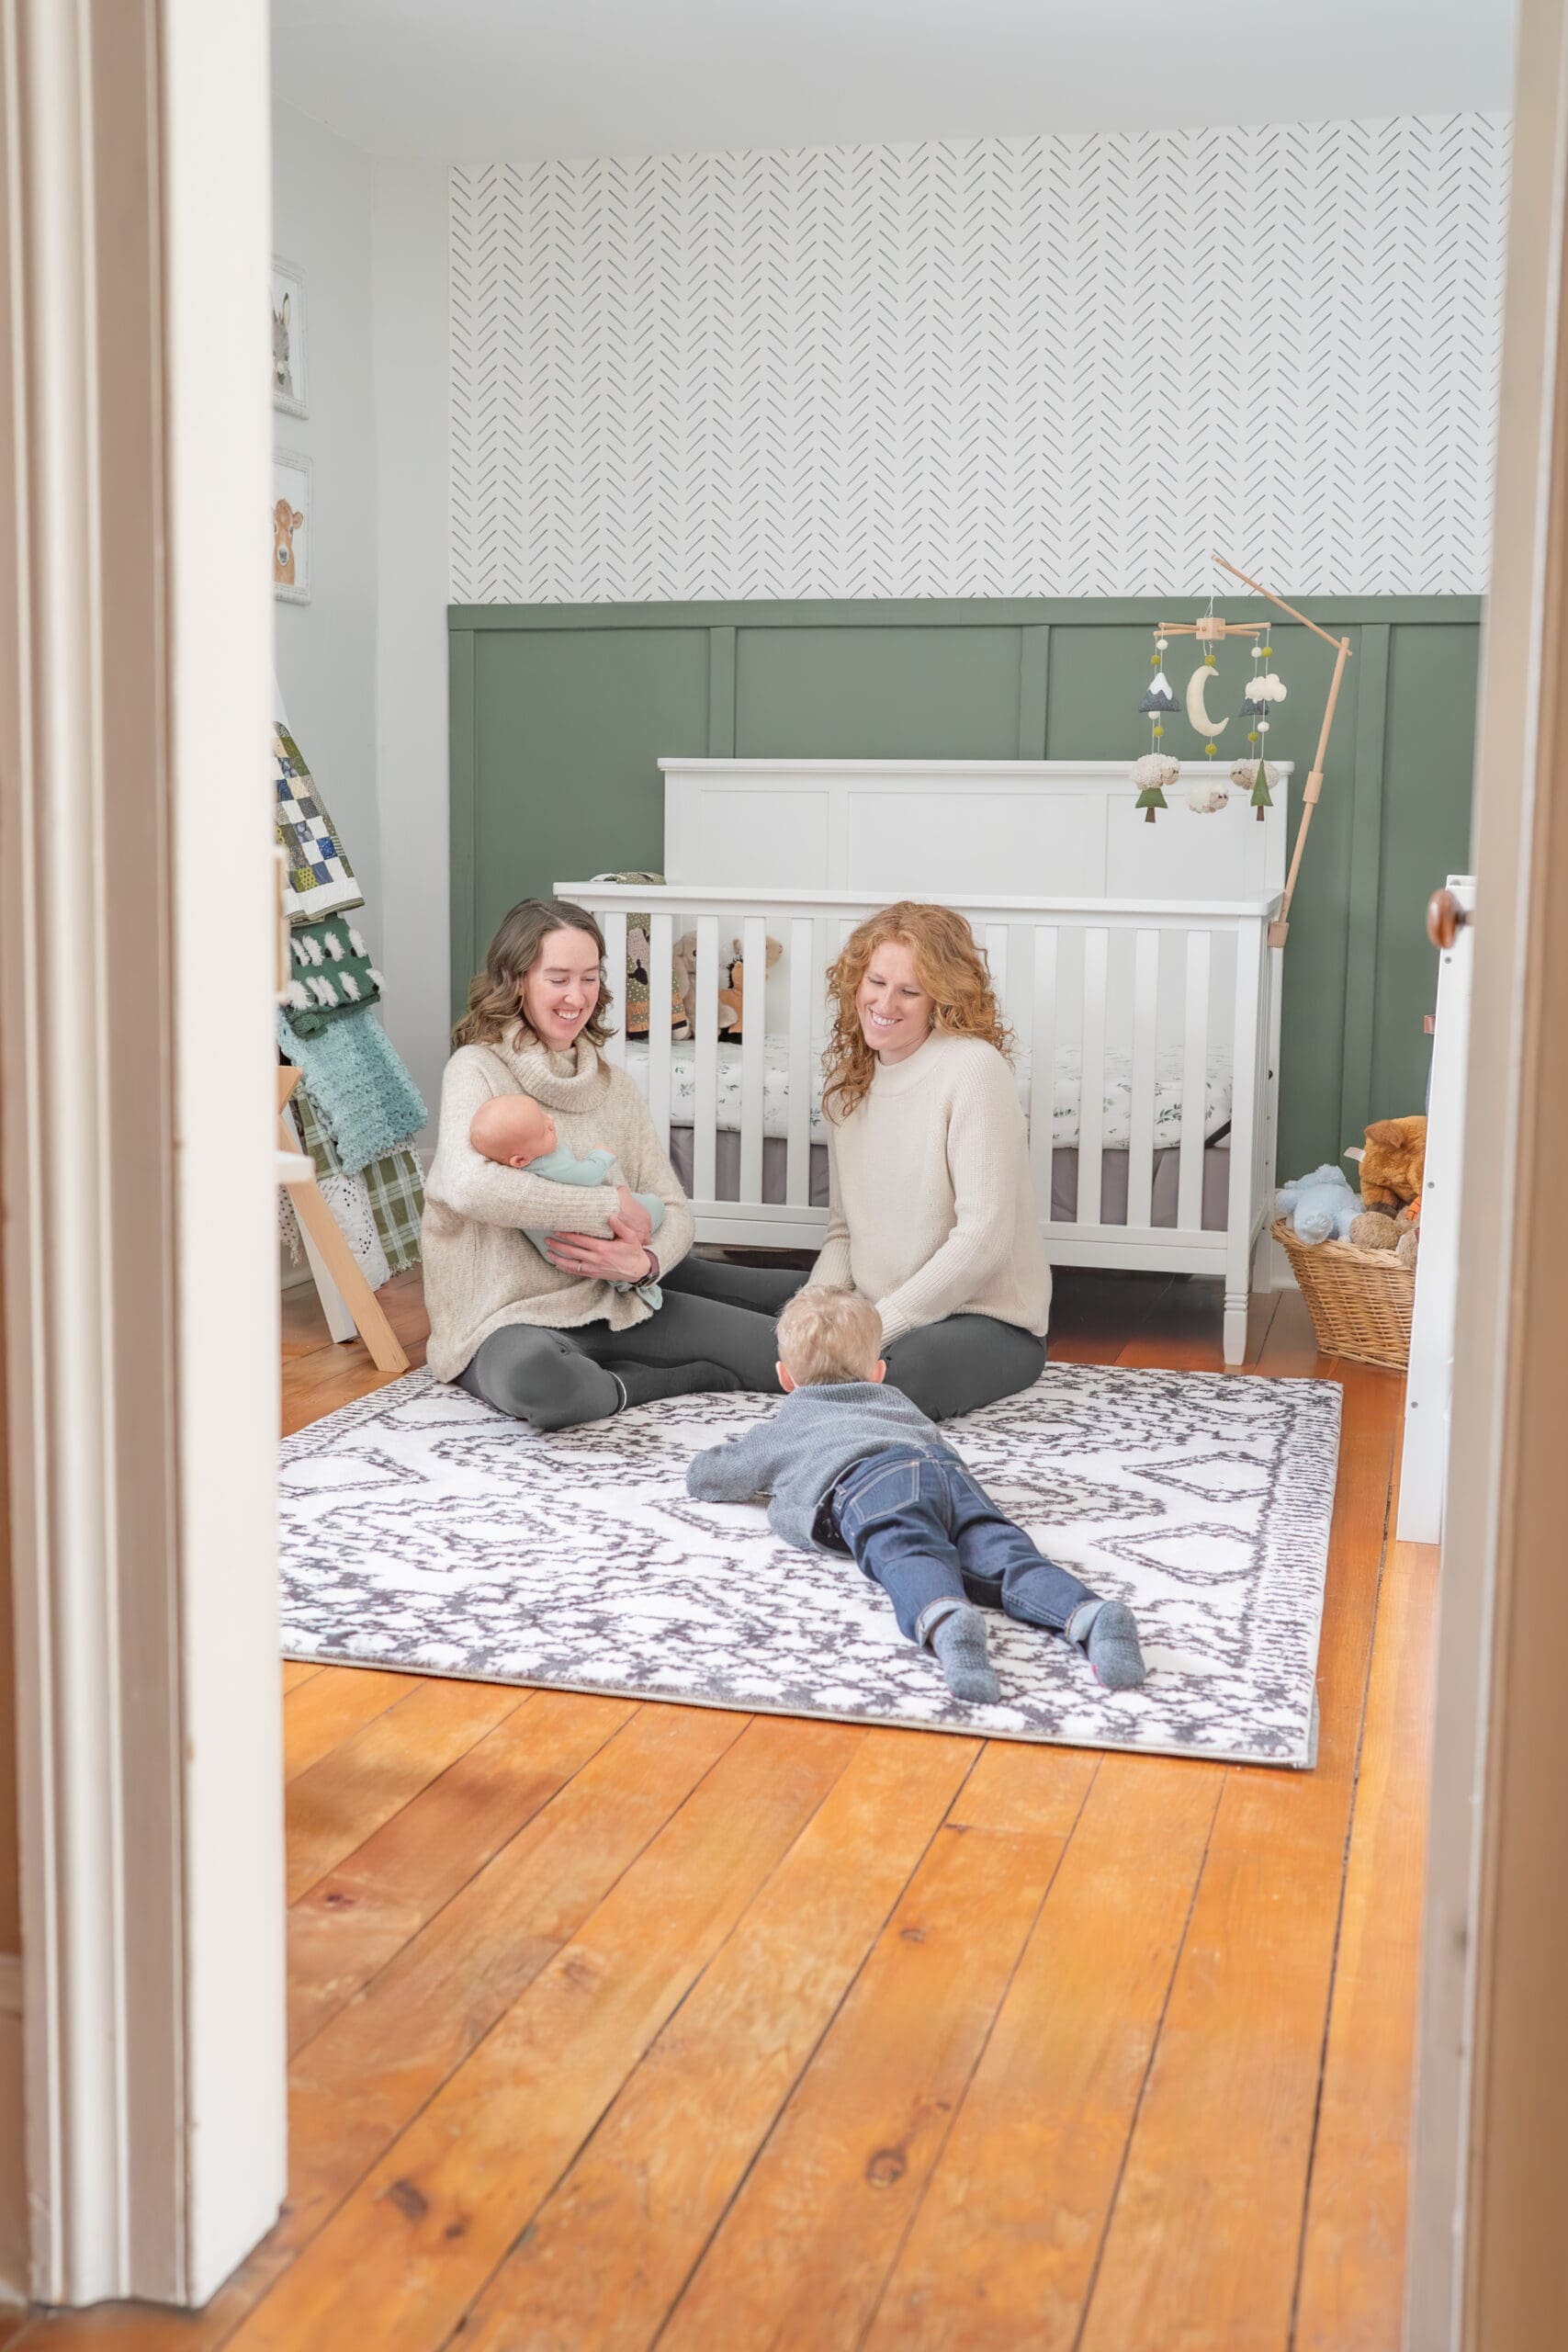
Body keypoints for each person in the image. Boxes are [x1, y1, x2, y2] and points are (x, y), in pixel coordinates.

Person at [423, 898, 802, 1430]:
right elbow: (468, 1187)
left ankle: (906, 1307)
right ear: (516, 980)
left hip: (619, 1296)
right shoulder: (477, 1068)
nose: (577, 997)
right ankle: (666, 1380)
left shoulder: (615, 1087)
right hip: (510, 1318)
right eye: (557, 979)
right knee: (543, 1383)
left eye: (590, 977)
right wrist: (608, 1207)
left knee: (803, 1339)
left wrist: (644, 1264)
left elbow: (672, 1208)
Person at [687, 1288, 1145, 1703]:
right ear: (878, 1372)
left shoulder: (785, 1427)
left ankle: (945, 1618)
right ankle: (1089, 1614)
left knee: (909, 1552)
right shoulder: (898, 1402)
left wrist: (716, 1459)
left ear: (785, 1378)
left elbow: (712, 1478)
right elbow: (941, 1449)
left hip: (867, 1484)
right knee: (1003, 1553)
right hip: (944, 1473)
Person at [805, 899, 1053, 1420]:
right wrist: (812, 1314)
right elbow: (844, 1234)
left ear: (940, 999)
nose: (885, 1002)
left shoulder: (972, 1070)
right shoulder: (850, 1086)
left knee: (886, 1380)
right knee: (745, 1304)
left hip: (981, 1323)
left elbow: (982, 1239)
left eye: (909, 991)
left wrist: (871, 1326)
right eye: (876, 981)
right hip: (878, 1306)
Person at [468, 1090, 667, 1298]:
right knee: (654, 1205)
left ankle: (623, 1277)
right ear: (520, 1161)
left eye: (544, 1115)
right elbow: (588, 1176)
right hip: (583, 1234)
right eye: (544, 1131)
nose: (551, 1120)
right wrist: (601, 1155)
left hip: (556, 1250)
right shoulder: (548, 1162)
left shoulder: (517, 1163)